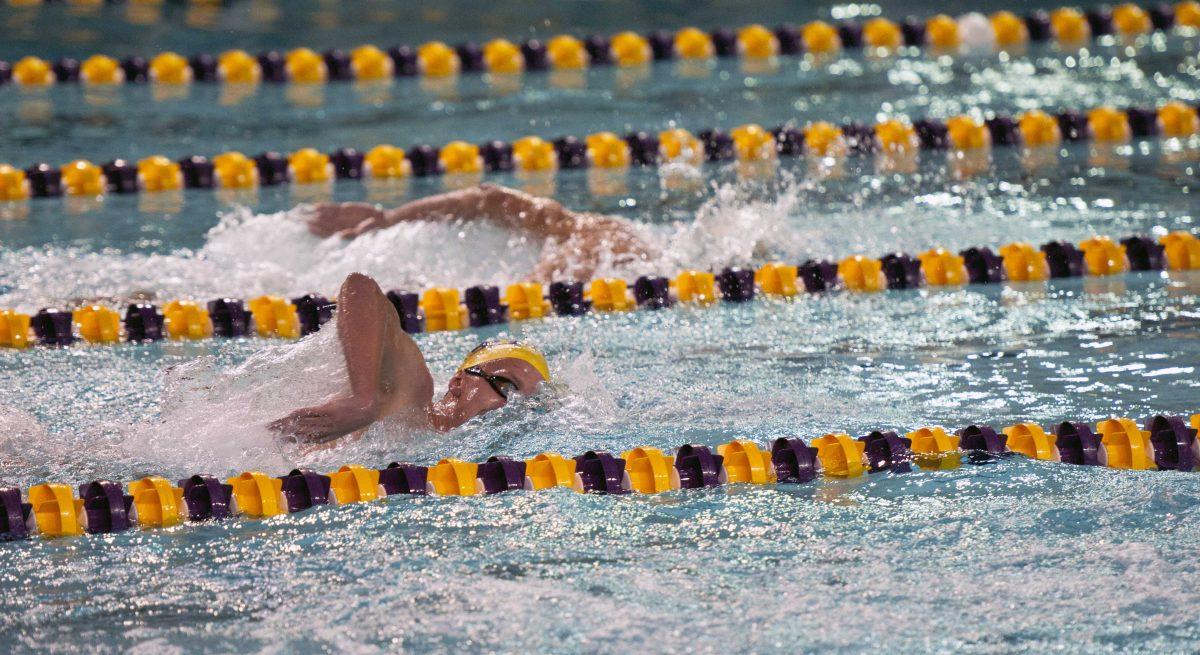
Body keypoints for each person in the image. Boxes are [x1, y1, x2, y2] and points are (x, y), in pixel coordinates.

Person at [270, 272, 551, 443]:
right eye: (507, 386)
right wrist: (363, 400)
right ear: (457, 384)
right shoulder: (412, 397)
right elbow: (360, 287)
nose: (514, 406)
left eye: (530, 399)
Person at [303, 182, 657, 282]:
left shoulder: (588, 244)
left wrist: (388, 218)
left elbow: (489, 197)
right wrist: (388, 219)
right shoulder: (570, 226)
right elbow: (489, 199)